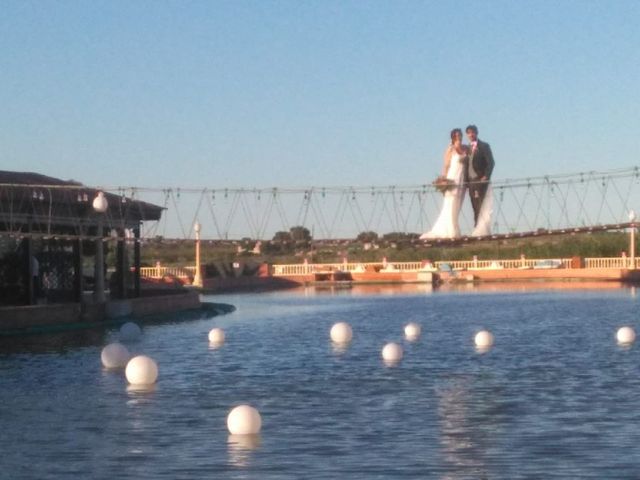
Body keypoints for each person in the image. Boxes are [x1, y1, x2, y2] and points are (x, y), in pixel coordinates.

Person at [420, 129, 468, 239]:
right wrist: (444, 179)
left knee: (457, 205)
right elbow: (446, 165)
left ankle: (454, 227)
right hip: (453, 177)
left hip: (461, 179)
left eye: (460, 135)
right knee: (450, 203)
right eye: (456, 136)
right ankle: (449, 230)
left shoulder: (465, 148)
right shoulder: (450, 150)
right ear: (453, 137)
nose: (459, 137)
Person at [465, 125, 495, 236]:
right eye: (469, 133)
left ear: (477, 133)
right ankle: (476, 227)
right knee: (474, 205)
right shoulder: (467, 148)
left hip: (480, 180)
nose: (471, 135)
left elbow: (491, 162)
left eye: (473, 132)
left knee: (482, 204)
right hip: (471, 181)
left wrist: (486, 176)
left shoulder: (484, 146)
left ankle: (482, 229)